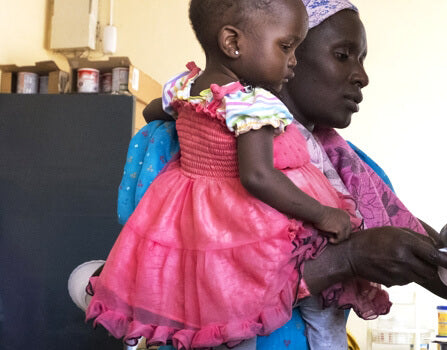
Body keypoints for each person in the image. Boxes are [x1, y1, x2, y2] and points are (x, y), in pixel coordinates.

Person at [75, 1, 447, 349]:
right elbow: (174, 294)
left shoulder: (352, 171)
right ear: (286, 54)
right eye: (342, 54)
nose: (362, 74)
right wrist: (346, 258)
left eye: (362, 56)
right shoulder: (179, 146)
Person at [85, 0, 383, 349]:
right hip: (247, 218)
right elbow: (256, 176)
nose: (293, 61)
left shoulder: (184, 87)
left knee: (220, 314)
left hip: (194, 213)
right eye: (286, 47)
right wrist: (323, 214)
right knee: (299, 303)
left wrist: (195, 132)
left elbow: (155, 111)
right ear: (233, 43)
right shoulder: (253, 103)